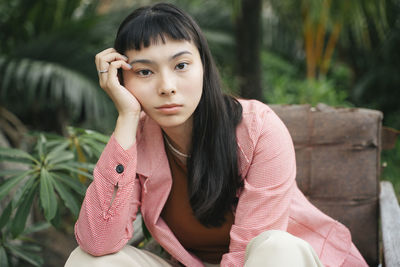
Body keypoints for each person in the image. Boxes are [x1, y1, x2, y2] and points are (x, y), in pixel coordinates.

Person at [65, 3, 368, 267]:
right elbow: (98, 241)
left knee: (275, 246)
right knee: (86, 260)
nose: (167, 86)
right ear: (122, 80)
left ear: (203, 67)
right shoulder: (135, 140)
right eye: (145, 72)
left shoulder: (258, 128)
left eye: (181, 65)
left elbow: (252, 252)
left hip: (279, 263)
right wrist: (128, 116)